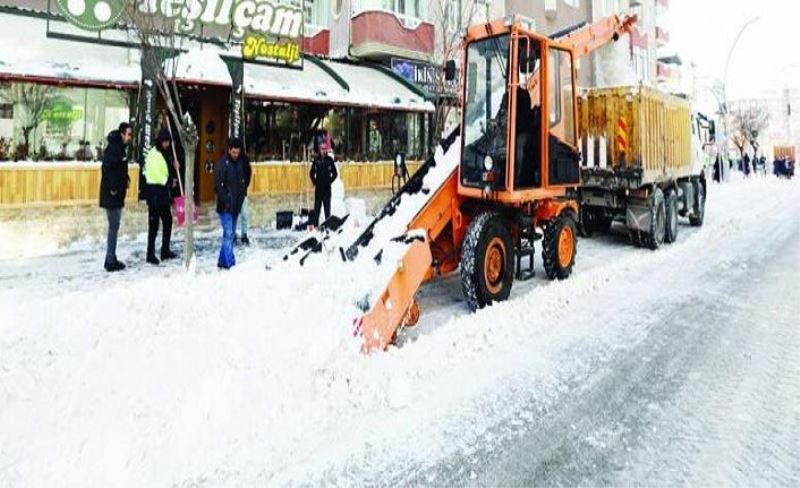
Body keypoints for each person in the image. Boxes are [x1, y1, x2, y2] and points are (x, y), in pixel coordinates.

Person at [99, 122, 133, 272]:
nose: (130, 137)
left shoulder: (120, 149)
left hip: (117, 194)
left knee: (115, 226)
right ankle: (110, 260)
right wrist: (113, 187)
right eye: (128, 134)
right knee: (113, 226)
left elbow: (119, 168)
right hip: (112, 195)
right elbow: (107, 168)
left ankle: (110, 258)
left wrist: (126, 179)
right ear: (122, 134)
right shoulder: (114, 148)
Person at [143, 128, 178, 265]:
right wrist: (169, 181)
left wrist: (174, 167)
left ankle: (165, 249)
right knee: (154, 225)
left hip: (163, 194)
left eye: (168, 142)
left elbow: (167, 169)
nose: (167, 144)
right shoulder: (153, 154)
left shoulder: (166, 153)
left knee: (168, 220)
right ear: (160, 141)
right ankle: (150, 253)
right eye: (165, 142)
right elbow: (155, 173)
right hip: (154, 193)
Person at [215, 138, 247, 269]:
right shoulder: (223, 164)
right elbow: (218, 185)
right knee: (228, 233)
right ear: (229, 150)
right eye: (233, 152)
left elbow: (245, 179)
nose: (235, 155)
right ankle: (229, 262)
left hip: (236, 205)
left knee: (230, 234)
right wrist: (226, 200)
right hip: (225, 206)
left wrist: (242, 195)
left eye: (237, 152)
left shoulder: (241, 163)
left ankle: (222, 261)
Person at [309, 129, 338, 228]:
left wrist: (329, 181)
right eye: (322, 149)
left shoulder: (329, 160)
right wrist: (315, 182)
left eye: (325, 149)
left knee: (327, 212)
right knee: (316, 211)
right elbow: (311, 173)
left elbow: (335, 174)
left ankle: (328, 229)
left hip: (327, 190)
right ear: (319, 149)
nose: (324, 151)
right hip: (318, 190)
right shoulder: (316, 161)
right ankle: (316, 228)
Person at [234, 151, 253, 246]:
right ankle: (232, 234)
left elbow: (249, 172)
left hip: (242, 192)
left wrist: (245, 184)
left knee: (244, 214)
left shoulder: (244, 159)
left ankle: (244, 234)